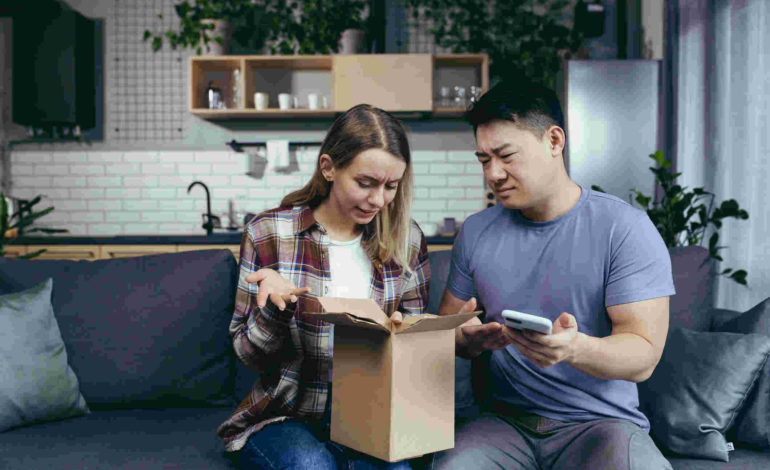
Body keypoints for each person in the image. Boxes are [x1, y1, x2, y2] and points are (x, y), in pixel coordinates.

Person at [431, 80, 676, 470]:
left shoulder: (624, 228)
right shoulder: (476, 231)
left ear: (554, 140)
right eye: (483, 160)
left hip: (600, 425)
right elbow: (443, 330)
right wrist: (466, 340)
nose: (493, 174)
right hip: (503, 423)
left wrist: (574, 348)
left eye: (506, 155)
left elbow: (643, 355)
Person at [216, 104, 430, 470]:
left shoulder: (406, 241)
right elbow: (248, 356)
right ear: (329, 168)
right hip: (287, 416)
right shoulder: (268, 233)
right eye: (365, 183)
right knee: (311, 466)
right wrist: (275, 308)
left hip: (373, 418)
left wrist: (407, 337)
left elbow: (419, 355)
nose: (378, 200)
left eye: (390, 186)